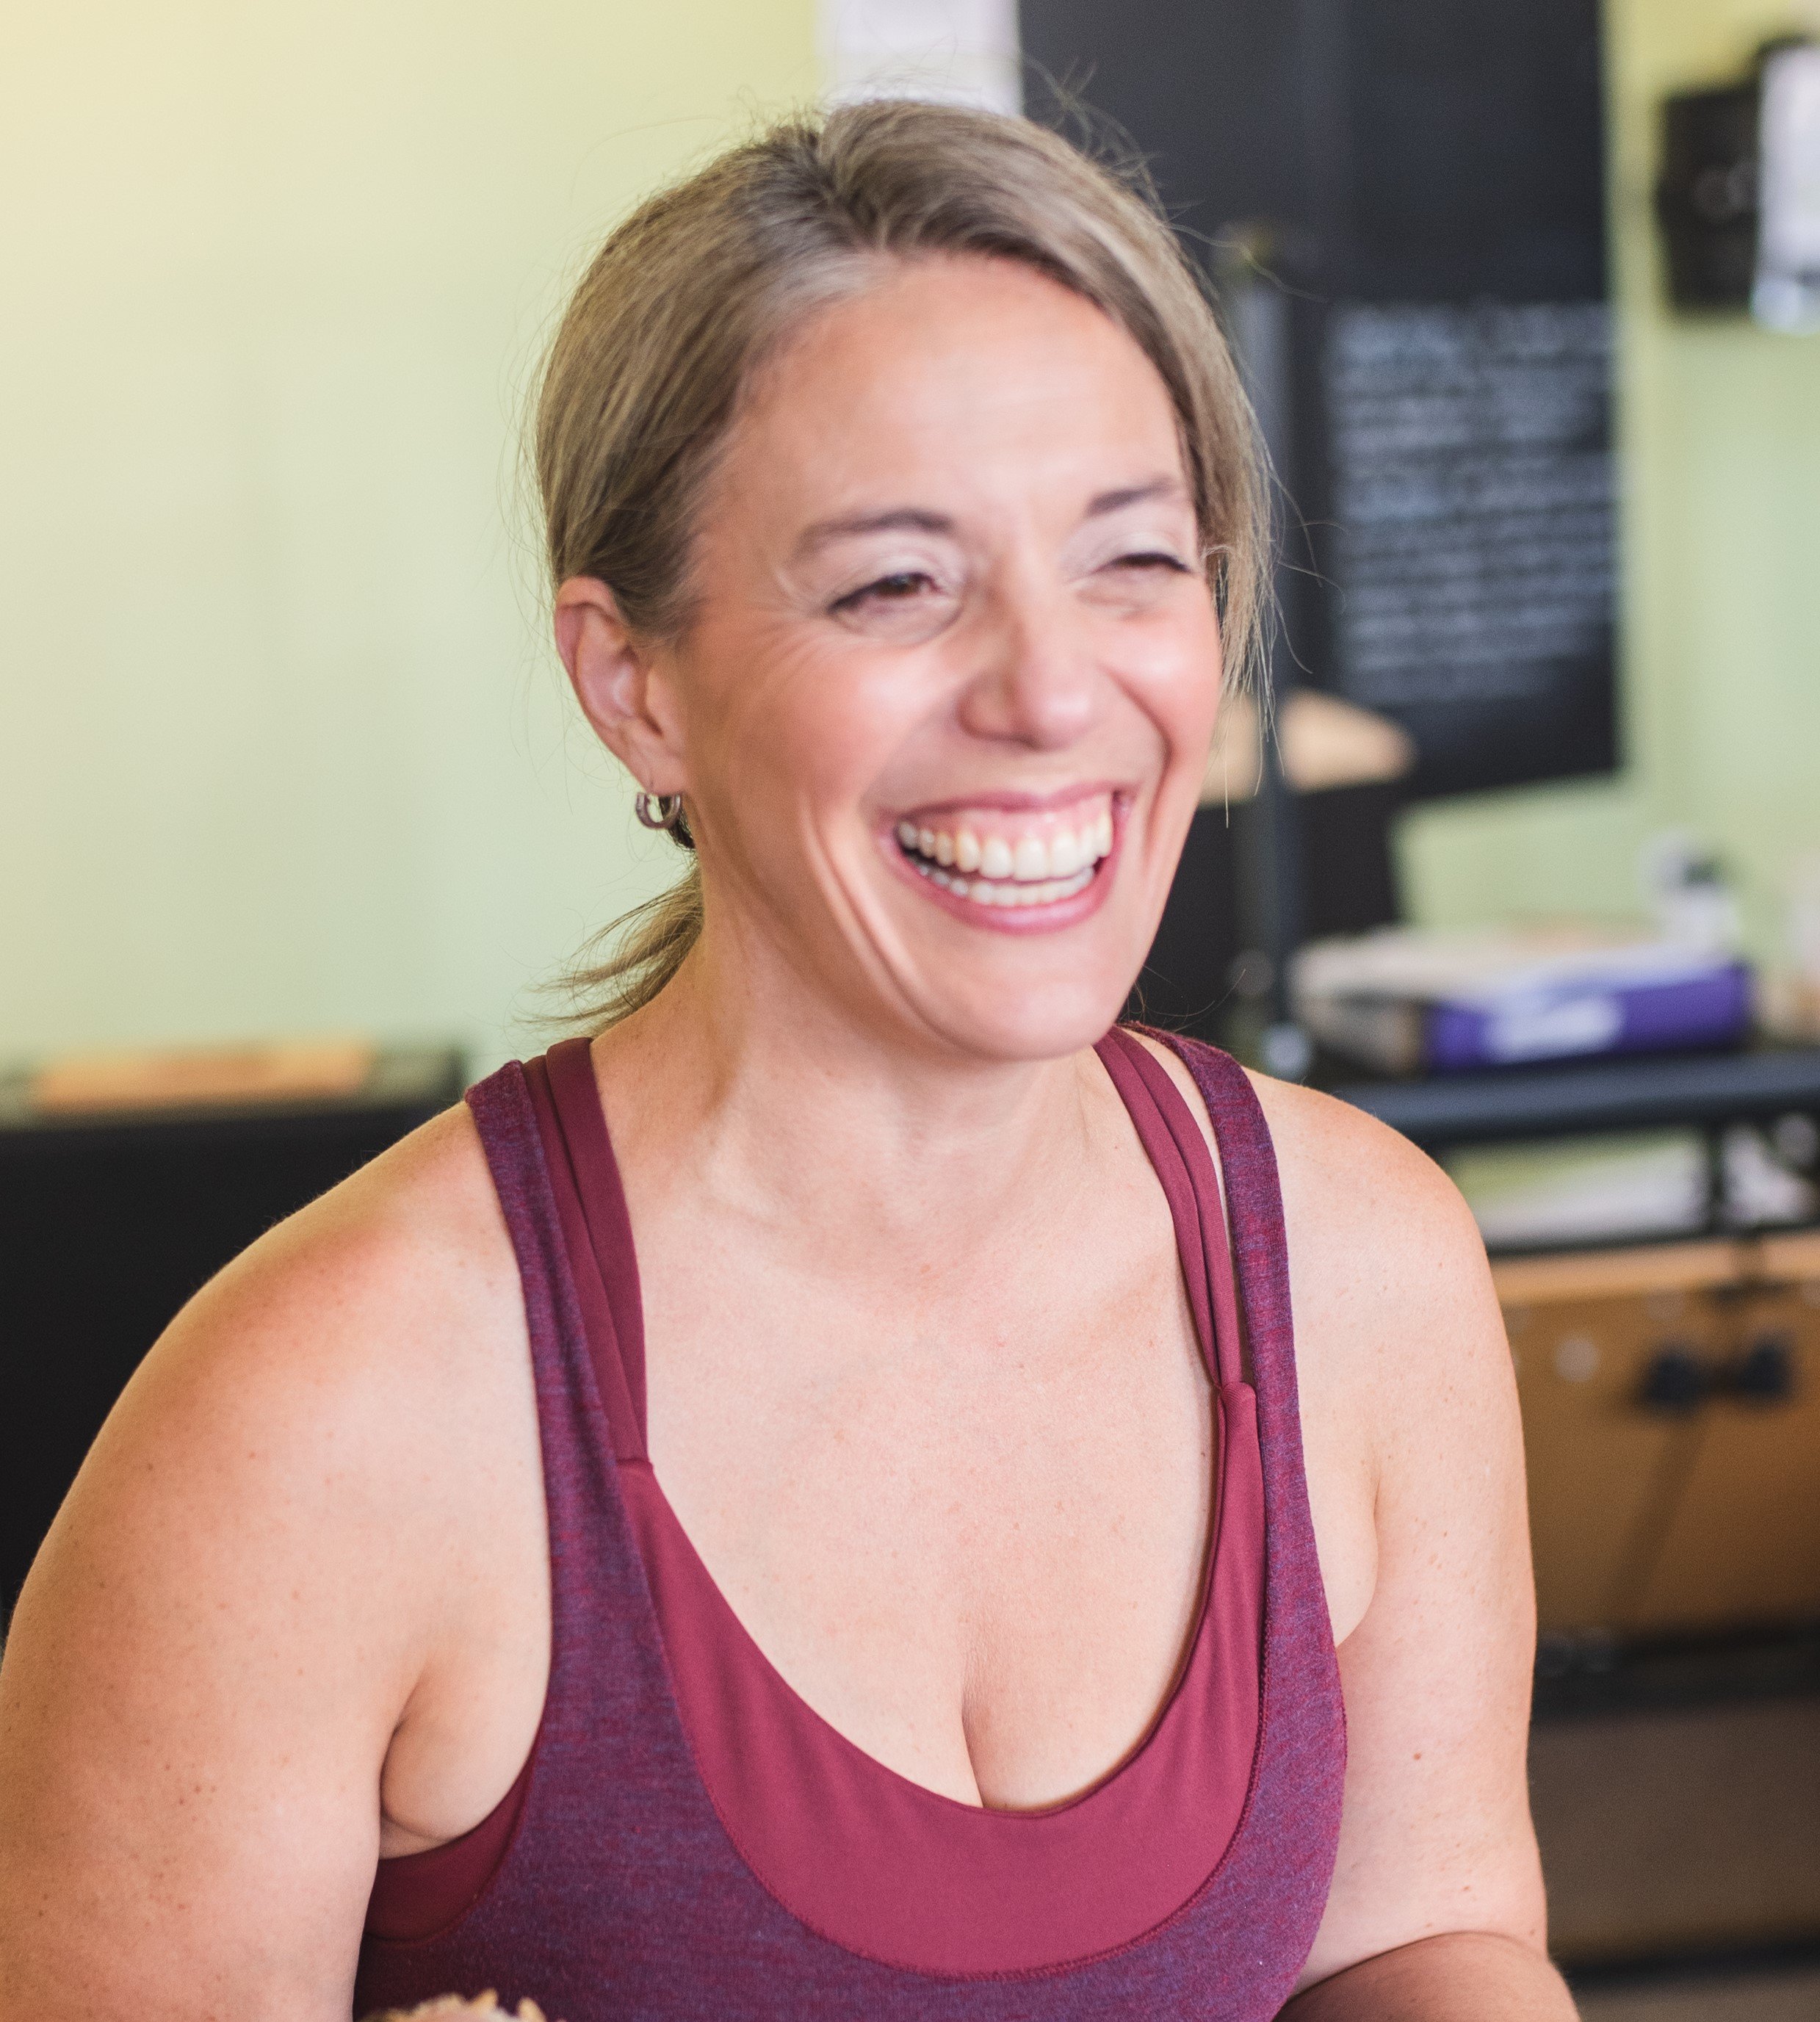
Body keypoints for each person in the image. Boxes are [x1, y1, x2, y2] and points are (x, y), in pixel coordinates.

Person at [0, 100, 1571, 2021]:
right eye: (895, 583)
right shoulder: (321, 1419)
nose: (1054, 688)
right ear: (632, 683)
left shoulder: (1362, 1269)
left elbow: (1420, 1940)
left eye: (1134, 561)